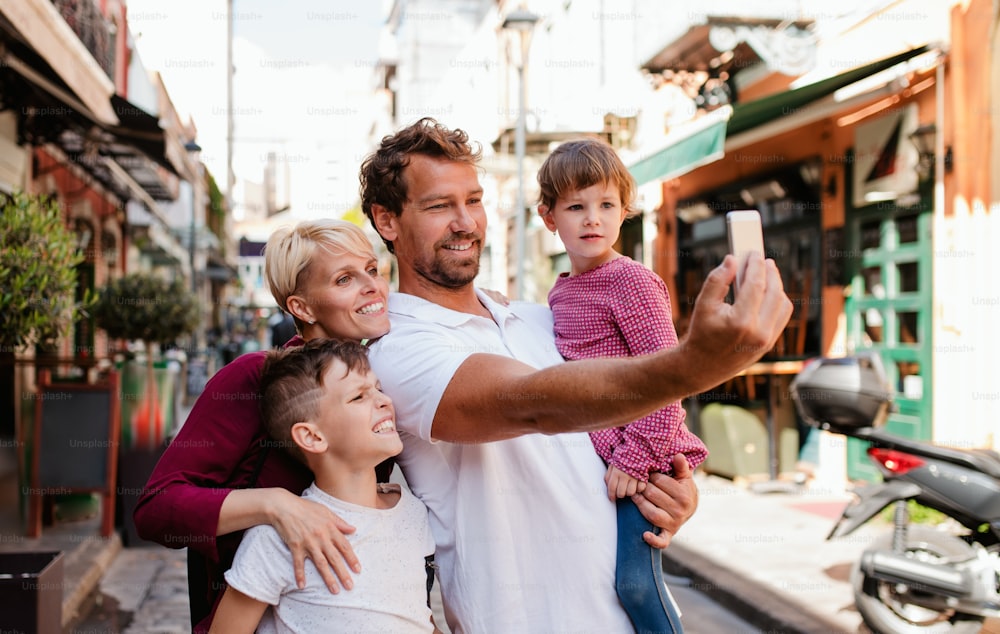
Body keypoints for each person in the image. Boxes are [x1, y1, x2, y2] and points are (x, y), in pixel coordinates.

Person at [359, 117, 792, 632]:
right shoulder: (397, 350)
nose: (465, 222)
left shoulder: (540, 317)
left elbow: (603, 425)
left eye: (473, 200)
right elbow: (531, 404)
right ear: (387, 221)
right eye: (439, 206)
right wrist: (692, 366)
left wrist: (665, 489)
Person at [134, 219, 393, 632]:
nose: (373, 287)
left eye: (373, 270)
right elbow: (156, 508)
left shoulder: (378, 378)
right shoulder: (255, 378)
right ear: (302, 308)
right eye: (345, 278)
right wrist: (276, 505)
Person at [536, 137, 709, 633]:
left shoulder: (632, 282)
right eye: (576, 206)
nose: (592, 218)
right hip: (603, 461)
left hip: (644, 459)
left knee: (635, 583)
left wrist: (634, 458)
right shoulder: (561, 290)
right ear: (549, 217)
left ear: (624, 211)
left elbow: (668, 380)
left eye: (605, 205)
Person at [210, 338, 441, 634]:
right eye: (359, 397)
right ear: (312, 437)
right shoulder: (277, 539)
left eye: (378, 388)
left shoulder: (413, 511)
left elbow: (415, 617)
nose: (385, 400)